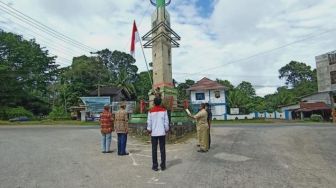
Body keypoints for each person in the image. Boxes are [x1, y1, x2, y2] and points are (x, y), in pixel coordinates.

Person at [147, 97, 169, 171]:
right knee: (162, 149)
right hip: (162, 132)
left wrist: (149, 130)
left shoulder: (150, 111)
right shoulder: (164, 111)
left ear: (154, 102)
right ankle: (163, 165)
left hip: (154, 133)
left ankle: (155, 165)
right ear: (160, 102)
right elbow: (166, 122)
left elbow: (149, 122)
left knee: (154, 149)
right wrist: (166, 129)